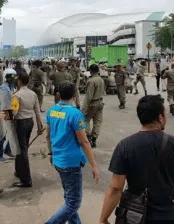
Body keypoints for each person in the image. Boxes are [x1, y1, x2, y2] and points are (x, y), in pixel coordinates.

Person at [99, 95, 174, 224]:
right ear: (160, 117)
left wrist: (103, 219)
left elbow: (116, 187)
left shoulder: (125, 145)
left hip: (133, 216)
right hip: (167, 217)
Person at [45, 81, 100, 224]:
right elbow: (84, 141)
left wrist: (50, 153)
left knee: (69, 197)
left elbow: (47, 135)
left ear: (58, 95)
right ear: (75, 94)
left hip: (58, 160)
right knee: (73, 203)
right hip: (70, 163)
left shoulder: (52, 111)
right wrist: (94, 165)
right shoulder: (75, 114)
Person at [13, 72, 43, 187]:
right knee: (22, 147)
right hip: (30, 122)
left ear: (19, 81)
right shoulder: (33, 94)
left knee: (22, 150)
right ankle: (19, 171)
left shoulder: (17, 95)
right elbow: (37, 111)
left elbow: (14, 113)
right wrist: (39, 126)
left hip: (20, 123)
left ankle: (26, 179)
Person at [0, 68, 21, 161]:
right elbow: (4, 105)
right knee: (2, 134)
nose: (14, 79)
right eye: (11, 77)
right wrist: (9, 114)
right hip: (5, 113)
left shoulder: (11, 86)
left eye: (14, 77)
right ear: (6, 77)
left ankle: (7, 150)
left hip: (9, 113)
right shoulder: (3, 88)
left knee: (10, 133)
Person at [82, 64, 105, 148]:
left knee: (85, 119)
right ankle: (94, 138)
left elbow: (89, 96)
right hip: (100, 102)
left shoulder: (91, 81)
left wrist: (84, 108)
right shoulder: (101, 79)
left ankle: (88, 137)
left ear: (91, 71)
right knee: (97, 121)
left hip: (93, 103)